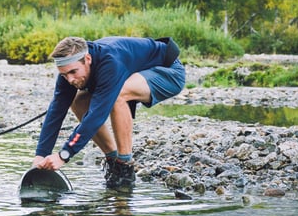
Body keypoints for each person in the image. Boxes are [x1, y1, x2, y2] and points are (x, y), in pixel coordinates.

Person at [32, 35, 186, 189]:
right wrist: (41, 155)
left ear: (87, 59)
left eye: (73, 72)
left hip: (169, 72)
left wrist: (64, 155)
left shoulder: (110, 62)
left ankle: (124, 166)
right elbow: (55, 112)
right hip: (134, 73)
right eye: (64, 74)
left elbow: (95, 117)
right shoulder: (69, 72)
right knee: (78, 102)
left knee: (119, 94)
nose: (70, 80)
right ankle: (113, 160)